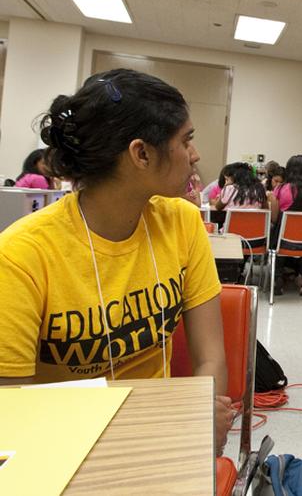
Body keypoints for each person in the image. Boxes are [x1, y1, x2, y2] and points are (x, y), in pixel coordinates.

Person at [0, 69, 235, 455]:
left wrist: (195, 426)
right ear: (141, 153)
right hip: (59, 450)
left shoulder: (183, 222)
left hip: (159, 444)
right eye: (185, 140)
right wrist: (175, 417)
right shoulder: (22, 256)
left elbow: (211, 358)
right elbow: (11, 416)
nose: (195, 155)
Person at [271, 155, 302, 295]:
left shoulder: (281, 189)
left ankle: (278, 277)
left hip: (285, 241)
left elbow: (274, 218)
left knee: (277, 233)